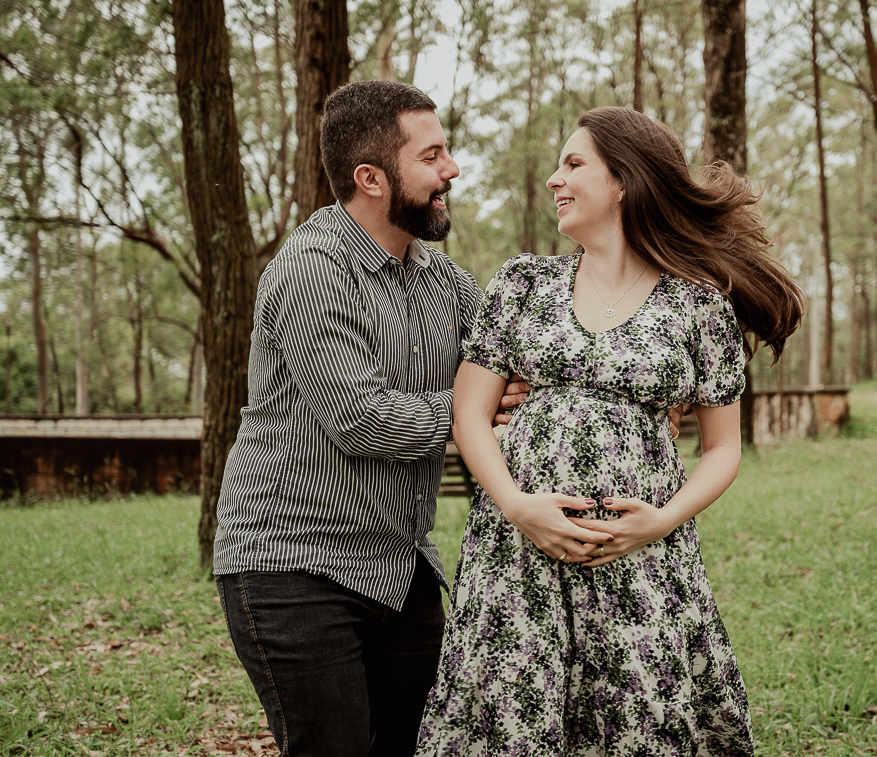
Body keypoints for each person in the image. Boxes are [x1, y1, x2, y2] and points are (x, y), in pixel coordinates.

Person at [417, 107, 804, 756]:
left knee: (634, 722)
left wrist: (661, 520)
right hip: (518, 559)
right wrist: (518, 506)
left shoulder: (697, 305)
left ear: (624, 179)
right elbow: (469, 416)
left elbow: (722, 448)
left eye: (573, 164)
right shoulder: (522, 285)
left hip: (640, 561)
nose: (553, 180)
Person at [210, 81, 564, 757]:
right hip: (293, 569)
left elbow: (526, 372)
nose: (451, 170)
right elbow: (362, 418)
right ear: (370, 178)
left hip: (399, 568)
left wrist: (624, 406)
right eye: (432, 157)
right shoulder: (313, 269)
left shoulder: (447, 283)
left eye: (447, 152)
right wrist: (474, 414)